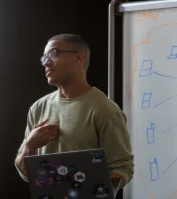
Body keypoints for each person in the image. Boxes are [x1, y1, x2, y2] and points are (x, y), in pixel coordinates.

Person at [14, 33, 134, 189]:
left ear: (79, 58)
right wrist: (30, 147)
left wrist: (98, 194)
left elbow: (122, 168)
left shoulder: (104, 110)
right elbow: (26, 174)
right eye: (44, 58)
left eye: (53, 54)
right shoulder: (38, 108)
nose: (46, 63)